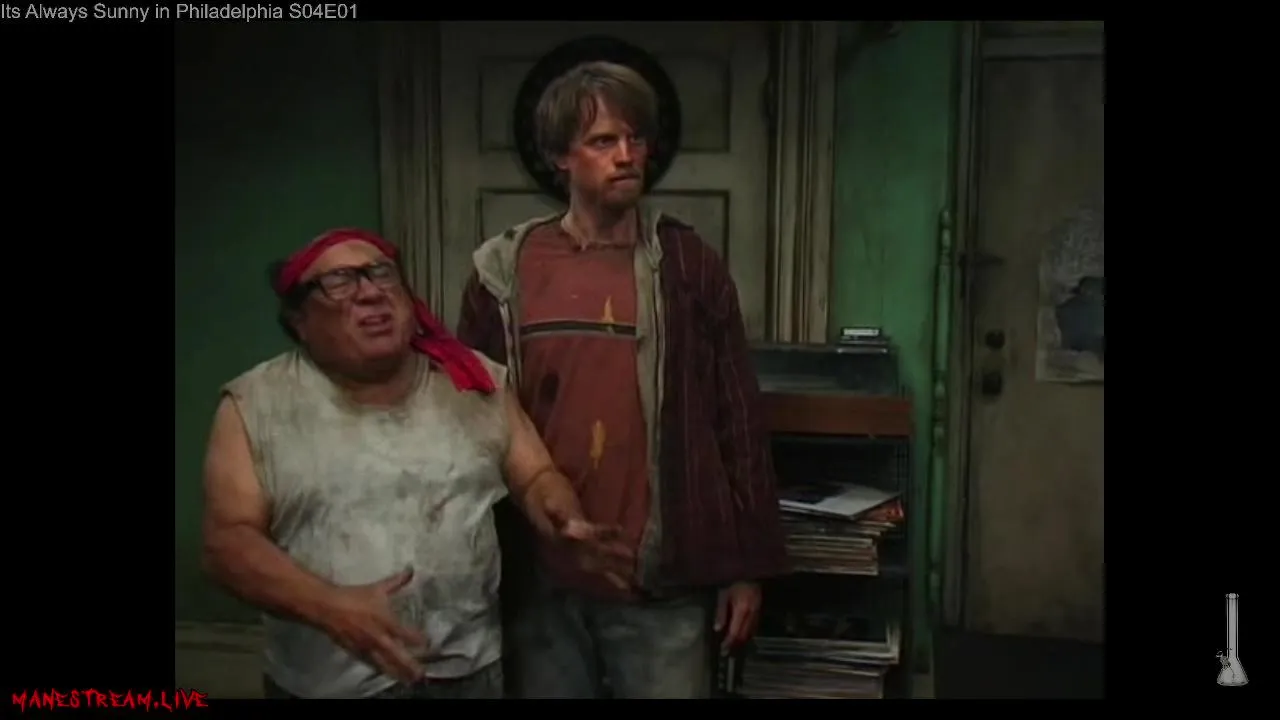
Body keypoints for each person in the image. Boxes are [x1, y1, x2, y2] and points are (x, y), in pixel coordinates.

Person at [457, 60, 789, 699]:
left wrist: (746, 567)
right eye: (603, 141)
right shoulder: (505, 269)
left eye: (635, 139)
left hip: (662, 581)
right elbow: (475, 418)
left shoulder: (686, 265)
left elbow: (738, 419)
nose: (627, 155)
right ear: (560, 157)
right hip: (543, 584)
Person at [200, 228, 633, 700]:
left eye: (381, 273)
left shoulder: (474, 381)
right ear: (299, 321)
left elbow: (535, 476)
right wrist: (329, 608)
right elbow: (227, 543)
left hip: (470, 672)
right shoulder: (255, 405)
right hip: (330, 686)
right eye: (340, 281)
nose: (371, 292)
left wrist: (563, 518)